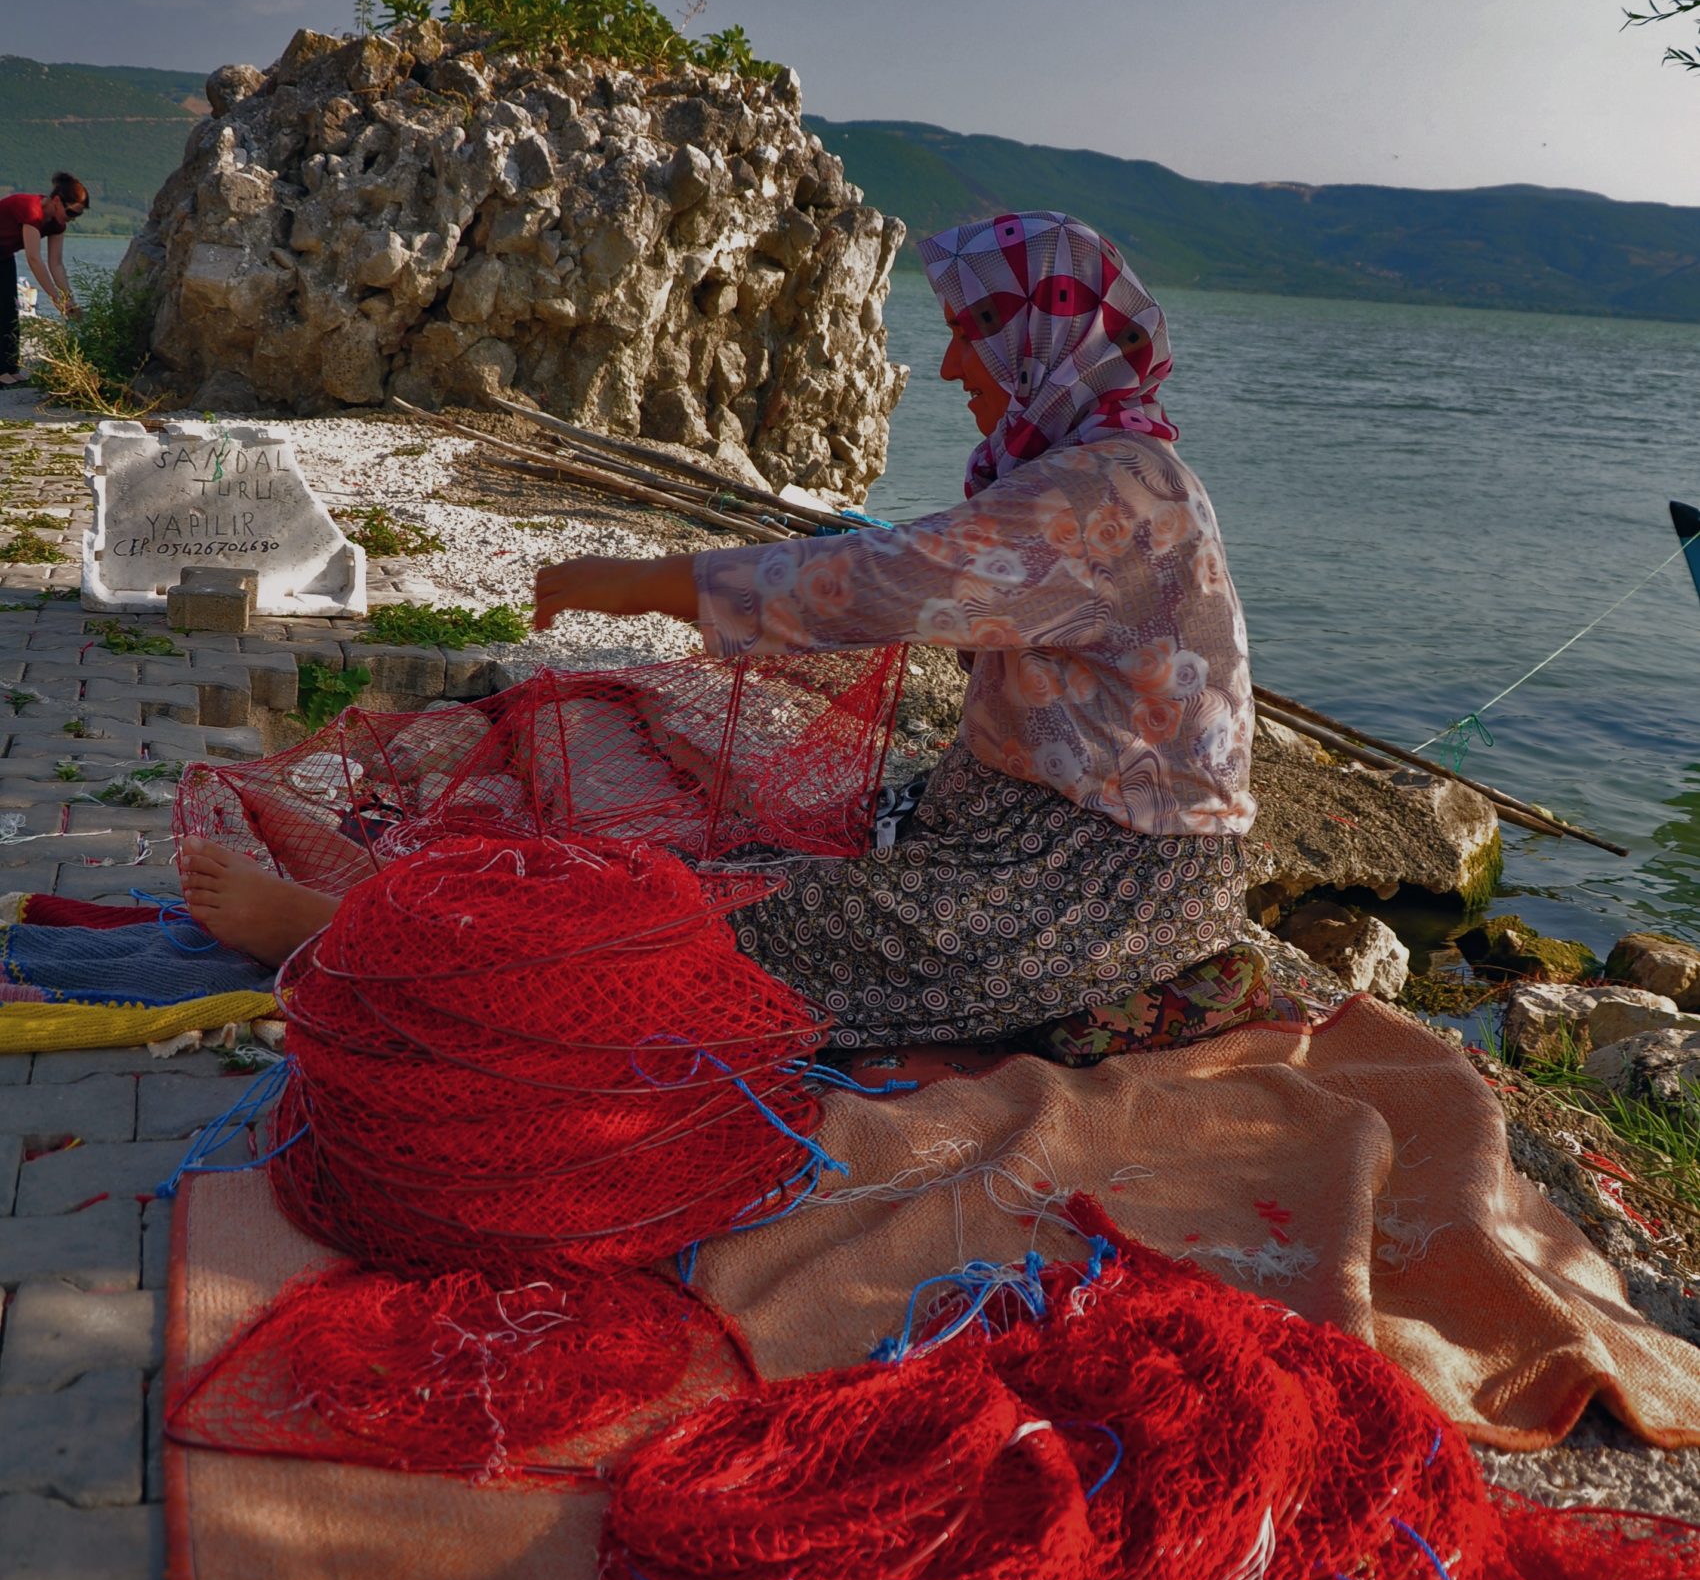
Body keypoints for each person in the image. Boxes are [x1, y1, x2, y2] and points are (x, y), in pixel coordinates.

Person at [180, 211, 1262, 1054]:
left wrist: (644, 582)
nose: (947, 371)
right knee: (715, 861)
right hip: (1011, 832)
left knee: (717, 935)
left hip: (1088, 882)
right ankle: (425, 922)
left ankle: (357, 944)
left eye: (972, 338)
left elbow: (886, 579)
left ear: (1045, 340)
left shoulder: (1112, 492)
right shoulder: (1106, 469)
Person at [0, 174, 88, 385]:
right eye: (70, 213)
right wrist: (55, 298)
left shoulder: (57, 224)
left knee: (10, 310)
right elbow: (34, 258)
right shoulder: (32, 210)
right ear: (57, 201)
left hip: (3, 255)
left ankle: (11, 369)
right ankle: (0, 372)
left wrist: (69, 299)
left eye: (76, 216)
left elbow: (56, 263)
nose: (70, 219)